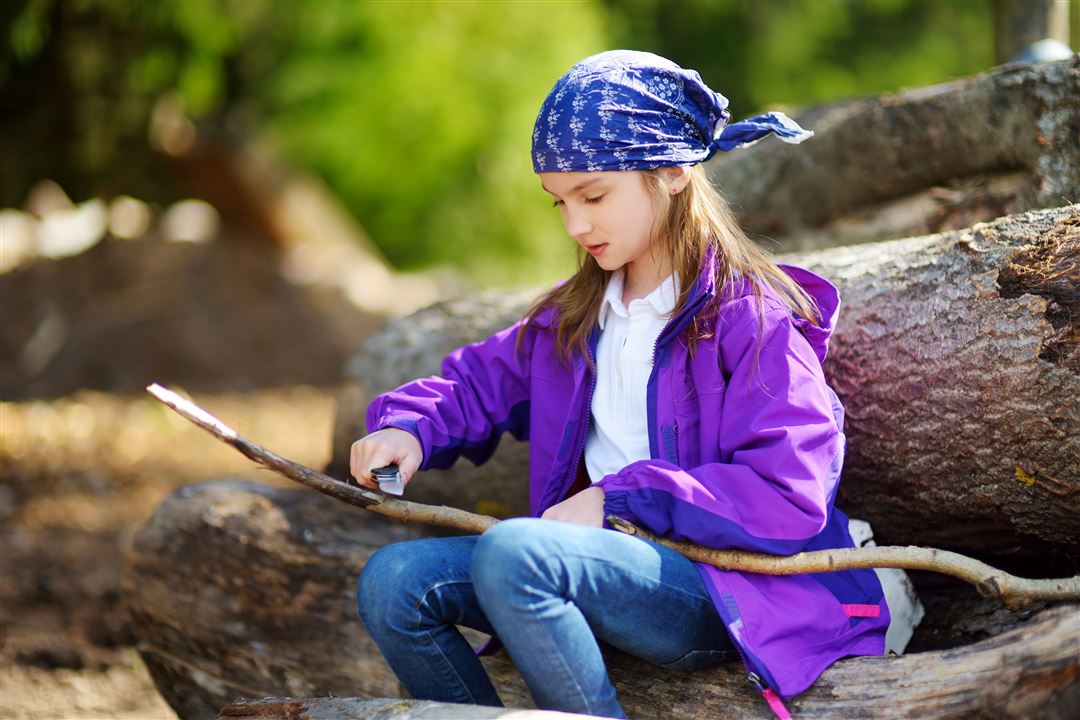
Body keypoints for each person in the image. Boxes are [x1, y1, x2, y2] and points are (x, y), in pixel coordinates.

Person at [352, 50, 889, 719]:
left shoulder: (750, 320)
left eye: (594, 196)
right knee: (393, 583)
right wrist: (409, 428)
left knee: (516, 553)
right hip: (589, 570)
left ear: (672, 173)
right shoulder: (574, 317)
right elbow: (476, 385)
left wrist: (618, 499)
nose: (575, 225)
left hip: (722, 586)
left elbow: (790, 491)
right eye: (559, 203)